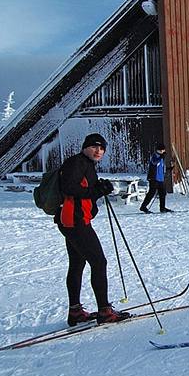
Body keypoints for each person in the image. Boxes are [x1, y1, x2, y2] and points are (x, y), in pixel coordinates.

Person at [56, 133, 130, 326]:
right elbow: (69, 188)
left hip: (73, 221)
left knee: (77, 263)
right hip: (75, 222)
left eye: (102, 148)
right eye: (94, 147)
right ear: (85, 147)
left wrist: (99, 188)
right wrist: (96, 190)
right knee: (99, 262)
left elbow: (84, 191)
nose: (98, 151)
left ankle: (75, 312)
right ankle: (105, 312)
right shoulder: (77, 163)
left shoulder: (86, 165)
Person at [140, 143, 171, 214]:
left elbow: (162, 167)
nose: (164, 151)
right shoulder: (155, 156)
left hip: (161, 179)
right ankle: (143, 206)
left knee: (162, 193)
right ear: (159, 150)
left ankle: (162, 208)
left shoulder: (162, 157)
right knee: (151, 193)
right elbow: (154, 162)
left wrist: (169, 169)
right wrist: (161, 157)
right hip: (154, 178)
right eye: (162, 150)